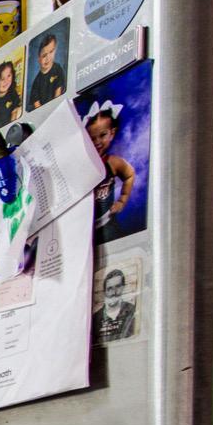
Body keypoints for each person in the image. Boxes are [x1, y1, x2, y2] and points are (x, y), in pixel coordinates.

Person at [85, 102, 137, 235]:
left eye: (102, 135)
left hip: (108, 224)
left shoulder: (113, 162)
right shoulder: (85, 164)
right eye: (92, 138)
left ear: (112, 133)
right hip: (88, 230)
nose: (97, 142)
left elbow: (130, 174)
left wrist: (122, 200)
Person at [95, 265, 138, 342]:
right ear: (105, 292)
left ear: (123, 288)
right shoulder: (95, 318)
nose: (114, 292)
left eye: (117, 287)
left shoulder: (133, 311)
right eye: (110, 288)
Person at [26, 32, 67, 108]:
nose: (48, 58)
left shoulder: (57, 69)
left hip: (57, 106)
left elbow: (58, 92)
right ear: (39, 59)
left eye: (51, 52)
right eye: (44, 55)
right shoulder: (36, 82)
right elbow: (37, 105)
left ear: (55, 50)